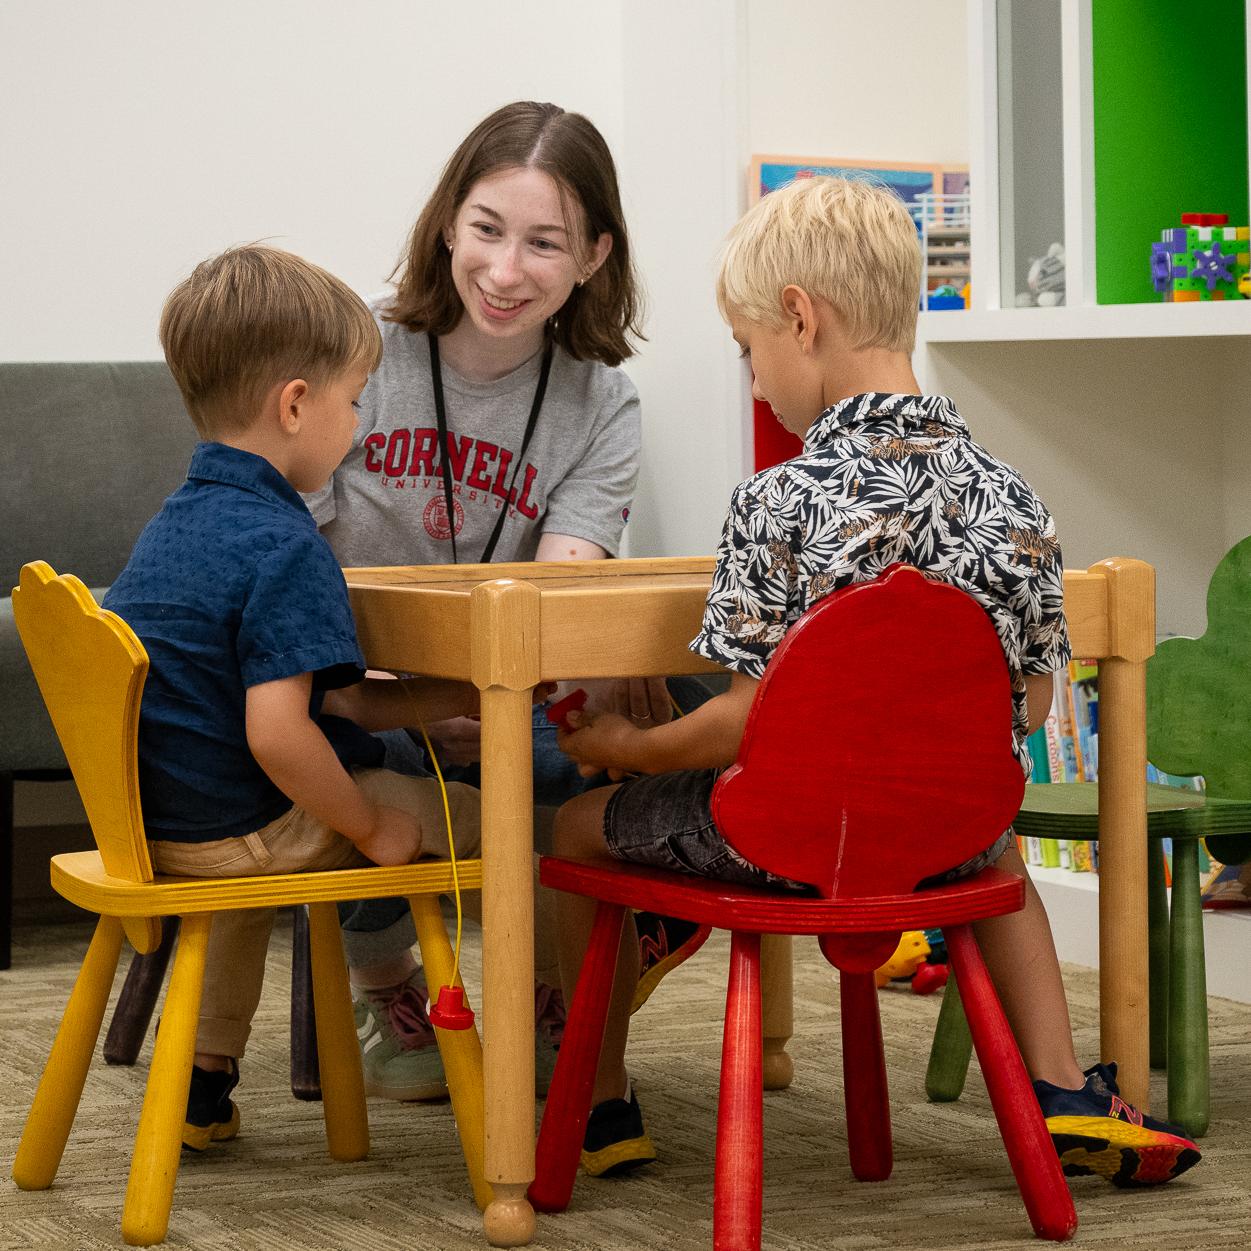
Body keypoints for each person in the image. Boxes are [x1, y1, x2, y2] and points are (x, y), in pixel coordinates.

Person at [551, 175, 1203, 1187]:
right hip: (941, 842)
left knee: (574, 827)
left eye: (749, 348)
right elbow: (1023, 708)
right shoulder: (1014, 495)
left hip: (781, 844)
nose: (755, 379)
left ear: (800, 319)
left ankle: (596, 1108)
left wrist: (624, 749)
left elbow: (741, 721)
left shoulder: (777, 501)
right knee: (992, 847)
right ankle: (1064, 1086)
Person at [103, 244, 551, 1149]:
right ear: (296, 404)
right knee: (497, 817)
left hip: (173, 828)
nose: (356, 425)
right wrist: (369, 825)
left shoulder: (173, 523)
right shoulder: (286, 543)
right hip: (260, 823)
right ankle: (537, 1039)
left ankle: (202, 1076)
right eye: (353, 402)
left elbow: (332, 705)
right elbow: (279, 735)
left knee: (261, 866)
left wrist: (438, 696)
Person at [302, 101, 706, 1101]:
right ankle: (386, 984)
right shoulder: (357, 350)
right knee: (321, 730)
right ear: (447, 223)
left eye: (545, 243)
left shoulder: (600, 399)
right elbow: (290, 559)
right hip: (365, 689)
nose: (505, 270)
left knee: (691, 707)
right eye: (486, 229)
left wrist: (529, 686)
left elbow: (561, 588)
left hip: (508, 691)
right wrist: (403, 688)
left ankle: (557, 979)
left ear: (594, 257)